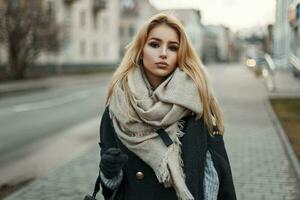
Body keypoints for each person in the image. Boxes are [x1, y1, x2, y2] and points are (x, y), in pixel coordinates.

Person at [98, 12, 236, 200]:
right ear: (141, 49)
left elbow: (212, 174)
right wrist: (109, 172)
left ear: (180, 54)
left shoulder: (195, 102)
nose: (163, 53)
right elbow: (110, 189)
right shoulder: (118, 106)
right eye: (154, 44)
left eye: (172, 47)